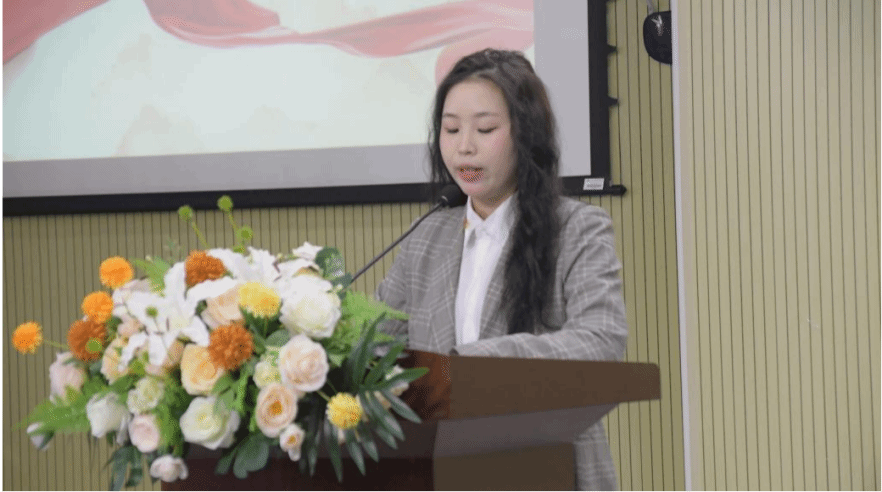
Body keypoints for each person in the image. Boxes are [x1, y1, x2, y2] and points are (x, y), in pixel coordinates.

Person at [375, 48, 628, 492]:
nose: (464, 146)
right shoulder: (426, 236)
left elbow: (601, 340)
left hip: (546, 468)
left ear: (525, 135)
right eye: (451, 129)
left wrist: (475, 365)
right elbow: (377, 341)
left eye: (485, 129)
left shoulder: (577, 229)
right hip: (438, 471)